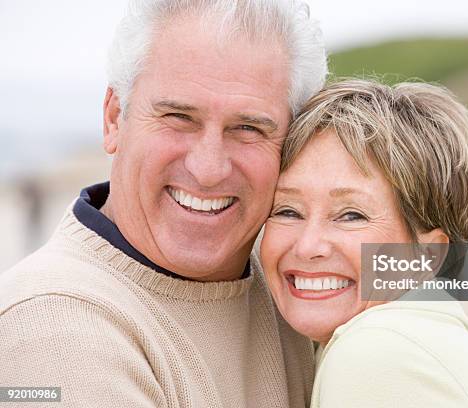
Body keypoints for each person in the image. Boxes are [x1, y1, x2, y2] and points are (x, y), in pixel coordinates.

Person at [0, 1, 327, 406]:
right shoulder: (52, 330)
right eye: (178, 117)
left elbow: (424, 276)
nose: (208, 169)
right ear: (115, 119)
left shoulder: (293, 266)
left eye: (248, 128)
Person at [261, 79, 468, 407]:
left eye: (351, 215)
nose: (307, 246)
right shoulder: (420, 335)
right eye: (287, 210)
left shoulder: (375, 351)